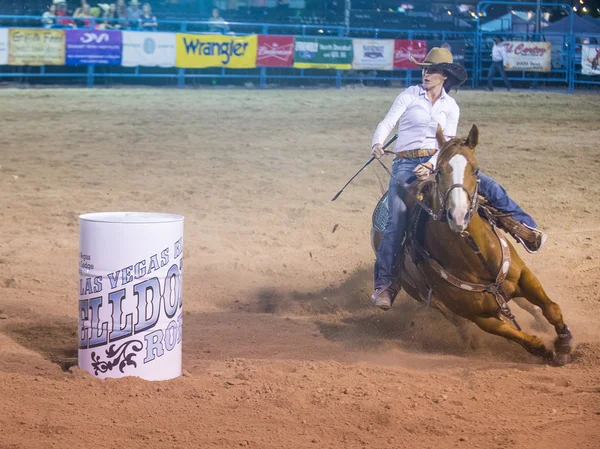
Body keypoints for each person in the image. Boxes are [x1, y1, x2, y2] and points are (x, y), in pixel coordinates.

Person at [370, 47, 546, 311]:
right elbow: (387, 123)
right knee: (397, 216)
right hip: (405, 163)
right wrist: (377, 142)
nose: (426, 73)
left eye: (432, 70)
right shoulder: (408, 95)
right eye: (425, 69)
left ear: (445, 76)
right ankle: (385, 284)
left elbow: (447, 144)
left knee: (487, 185)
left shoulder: (451, 106)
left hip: (440, 161)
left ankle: (525, 228)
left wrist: (431, 166)